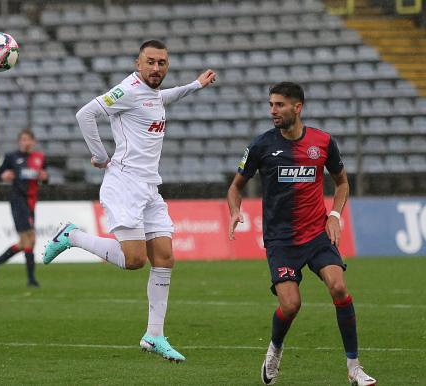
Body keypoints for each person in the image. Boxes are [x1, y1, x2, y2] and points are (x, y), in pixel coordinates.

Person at [42, 39, 216, 362]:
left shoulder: (150, 93)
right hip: (123, 184)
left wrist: (195, 85)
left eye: (161, 62)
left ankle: (154, 335)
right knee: (135, 260)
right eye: (149, 62)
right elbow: (86, 114)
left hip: (149, 187)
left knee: (164, 257)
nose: (156, 68)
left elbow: (163, 97)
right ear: (138, 64)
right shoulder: (128, 90)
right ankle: (72, 236)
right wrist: (99, 155)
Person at [227, 82, 376, 386]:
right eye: (271, 104)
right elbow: (235, 187)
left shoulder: (322, 142)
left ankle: (354, 367)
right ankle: (275, 349)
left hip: (316, 234)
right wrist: (234, 210)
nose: (273, 111)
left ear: (297, 108)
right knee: (291, 305)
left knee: (338, 287)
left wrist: (334, 215)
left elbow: (343, 183)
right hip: (281, 240)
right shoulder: (261, 146)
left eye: (279, 105)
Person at [0, 129, 48, 288]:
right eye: (23, 140)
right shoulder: (10, 157)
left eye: (28, 140)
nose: (25, 143)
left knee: (26, 242)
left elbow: (44, 178)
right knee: (29, 239)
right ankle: (31, 280)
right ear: (19, 142)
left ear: (33, 142)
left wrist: (45, 178)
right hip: (18, 200)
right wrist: (2, 176)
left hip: (32, 202)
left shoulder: (39, 158)